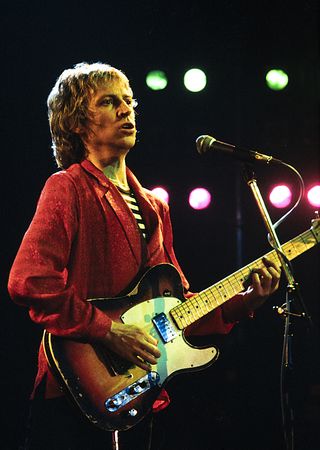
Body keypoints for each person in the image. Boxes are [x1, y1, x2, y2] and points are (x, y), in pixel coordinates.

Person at [8, 62, 281, 450]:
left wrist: (245, 302)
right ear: (77, 123)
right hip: (76, 387)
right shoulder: (67, 187)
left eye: (128, 100)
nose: (126, 109)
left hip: (138, 392)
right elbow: (29, 280)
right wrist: (109, 331)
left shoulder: (154, 206)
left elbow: (176, 311)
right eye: (108, 102)